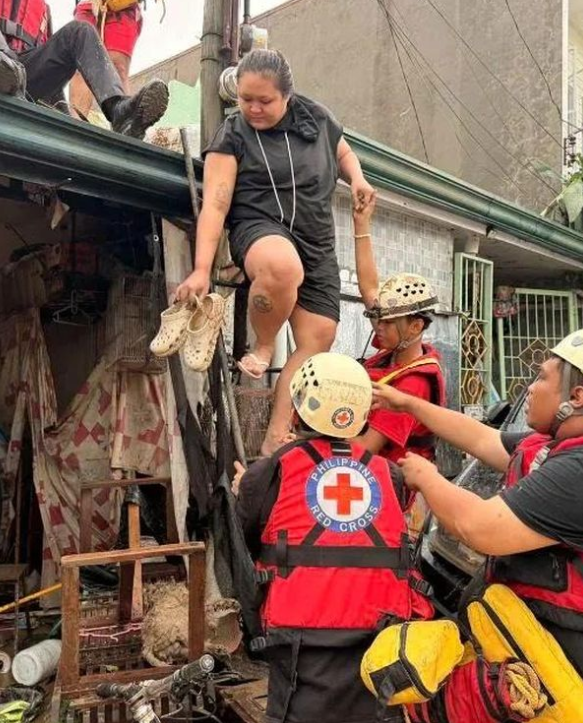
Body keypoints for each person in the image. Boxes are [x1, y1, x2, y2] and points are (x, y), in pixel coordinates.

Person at [373, 328, 583, 723]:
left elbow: (480, 528)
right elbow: (485, 439)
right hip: (545, 643)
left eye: (542, 378)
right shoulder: (565, 442)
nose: (531, 387)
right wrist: (407, 403)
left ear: (576, 398)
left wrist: (427, 478)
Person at [174, 48, 376, 456]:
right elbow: (215, 202)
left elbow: (343, 152)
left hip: (316, 240)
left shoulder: (316, 118)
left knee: (319, 337)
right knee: (282, 268)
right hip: (259, 227)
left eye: (264, 100)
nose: (253, 108)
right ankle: (264, 344)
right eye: (246, 99)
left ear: (287, 96)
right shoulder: (232, 135)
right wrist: (200, 268)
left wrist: (357, 178)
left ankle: (273, 441)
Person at [236, 352, 432, 723]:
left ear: (297, 410)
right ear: (362, 415)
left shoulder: (269, 473)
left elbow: (251, 539)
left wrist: (244, 485)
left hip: (298, 645)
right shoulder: (389, 474)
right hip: (379, 641)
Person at [0, 0, 168, 137]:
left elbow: (50, 80)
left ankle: (120, 111)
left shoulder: (41, 10)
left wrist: (64, 118)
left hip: (15, 77)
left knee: (80, 31)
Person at [348, 195, 446, 465]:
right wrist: (361, 223)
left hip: (397, 491)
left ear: (415, 326)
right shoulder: (395, 348)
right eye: (379, 318)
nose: (379, 326)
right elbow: (368, 286)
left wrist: (309, 443)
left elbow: (366, 448)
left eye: (388, 322)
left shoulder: (413, 384)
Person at [69, 0, 142, 120]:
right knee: (81, 68)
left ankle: (124, 127)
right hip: (88, 5)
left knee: (118, 67)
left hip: (124, 6)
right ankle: (74, 127)